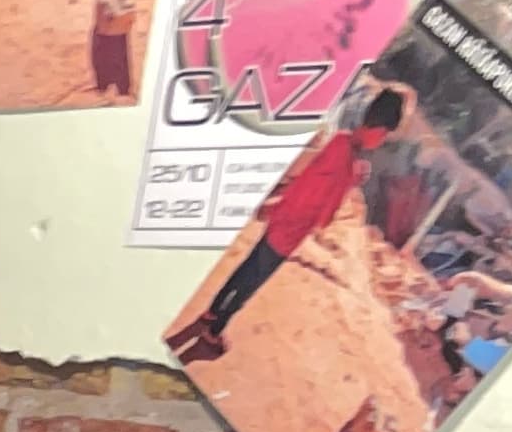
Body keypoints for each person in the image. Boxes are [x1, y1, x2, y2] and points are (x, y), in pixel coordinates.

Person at [166, 85, 410, 363]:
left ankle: (211, 313)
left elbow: (306, 182)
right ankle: (214, 331)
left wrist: (281, 205)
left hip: (284, 217)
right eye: (384, 136)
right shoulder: (346, 160)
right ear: (379, 130)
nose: (381, 142)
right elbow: (323, 212)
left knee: (246, 268)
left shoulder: (340, 142)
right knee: (250, 283)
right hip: (291, 229)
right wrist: (349, 183)